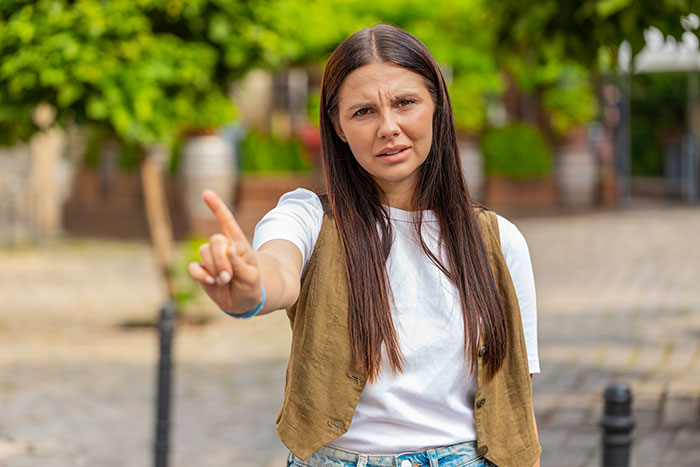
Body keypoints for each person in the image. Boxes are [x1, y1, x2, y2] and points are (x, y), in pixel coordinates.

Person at [188, 24, 541, 467]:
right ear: (337, 126)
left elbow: (514, 392)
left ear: (437, 106)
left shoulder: (497, 240)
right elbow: (276, 270)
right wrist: (249, 287)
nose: (389, 127)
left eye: (405, 103)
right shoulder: (308, 218)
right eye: (363, 112)